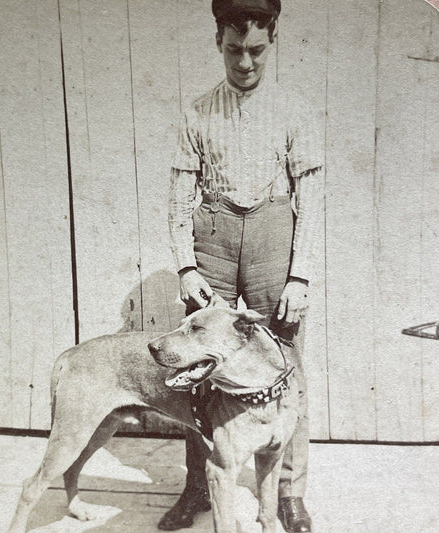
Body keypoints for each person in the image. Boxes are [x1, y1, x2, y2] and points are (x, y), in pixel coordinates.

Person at [160, 1, 324, 532]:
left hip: (274, 234)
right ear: (218, 42)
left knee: (284, 362)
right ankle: (197, 487)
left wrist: (300, 274)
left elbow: (313, 197)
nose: (246, 63)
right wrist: (186, 266)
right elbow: (180, 192)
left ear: (272, 39)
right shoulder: (197, 112)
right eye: (234, 50)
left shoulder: (296, 109)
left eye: (256, 50)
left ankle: (290, 496)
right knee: (198, 366)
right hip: (214, 237)